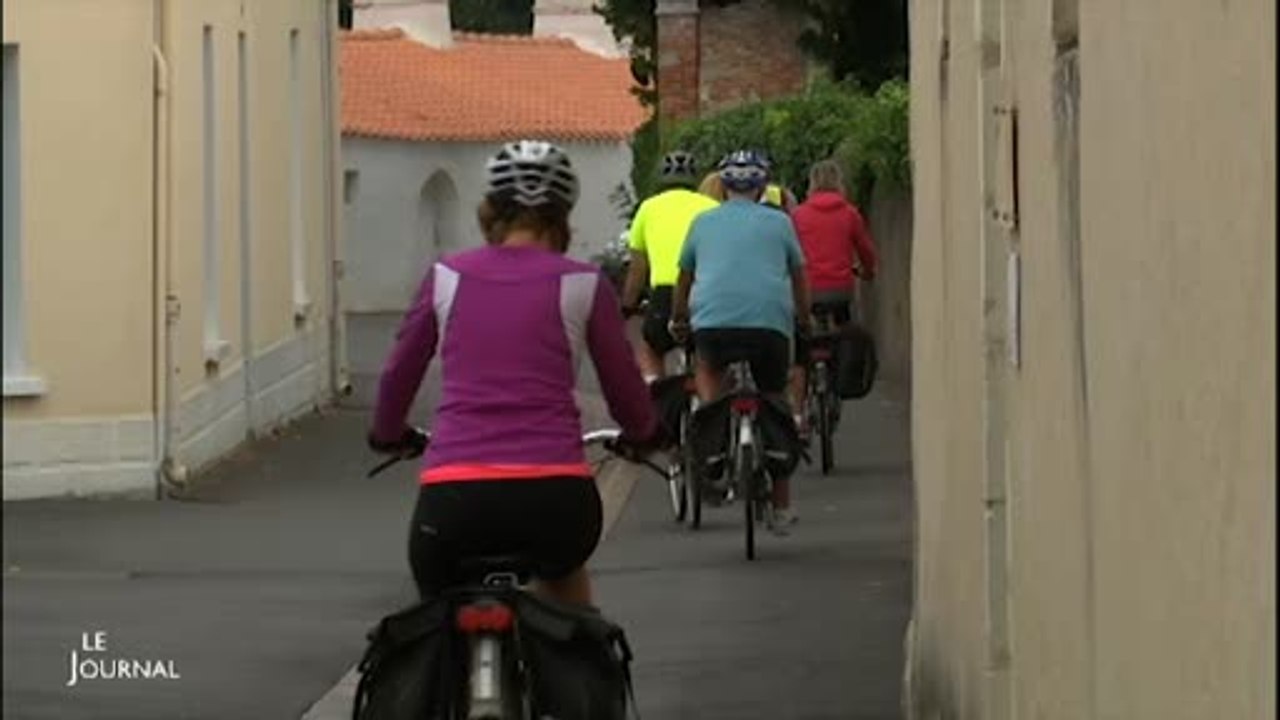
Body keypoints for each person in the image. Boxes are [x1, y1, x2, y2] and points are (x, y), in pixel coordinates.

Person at [367, 140, 664, 608]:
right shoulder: (584, 283)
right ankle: (581, 677)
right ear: (562, 216)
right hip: (554, 499)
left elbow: (399, 372)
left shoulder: (446, 277)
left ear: (490, 212)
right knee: (572, 607)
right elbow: (624, 388)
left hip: (455, 497)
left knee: (433, 621)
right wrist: (644, 432)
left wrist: (387, 432)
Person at [669, 150, 812, 533]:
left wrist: (679, 318)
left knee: (708, 372)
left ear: (723, 185)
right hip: (770, 327)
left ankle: (712, 448)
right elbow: (798, 276)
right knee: (775, 398)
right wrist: (803, 317)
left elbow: (685, 277)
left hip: (713, 325)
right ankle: (781, 506)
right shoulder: (780, 223)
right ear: (763, 185)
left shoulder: (702, 222)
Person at [788, 159, 879, 431]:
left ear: (811, 184)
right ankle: (837, 379)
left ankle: (799, 414)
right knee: (842, 333)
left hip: (807, 292)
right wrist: (868, 272)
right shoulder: (849, 214)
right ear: (840, 183)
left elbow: (790, 254)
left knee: (801, 349)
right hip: (840, 290)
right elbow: (865, 251)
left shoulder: (798, 216)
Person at [621, 151, 720, 382]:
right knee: (708, 356)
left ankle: (655, 392)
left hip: (664, 294)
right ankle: (706, 405)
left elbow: (638, 268)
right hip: (705, 292)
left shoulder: (647, 208)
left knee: (651, 347)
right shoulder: (711, 206)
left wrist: (627, 305)